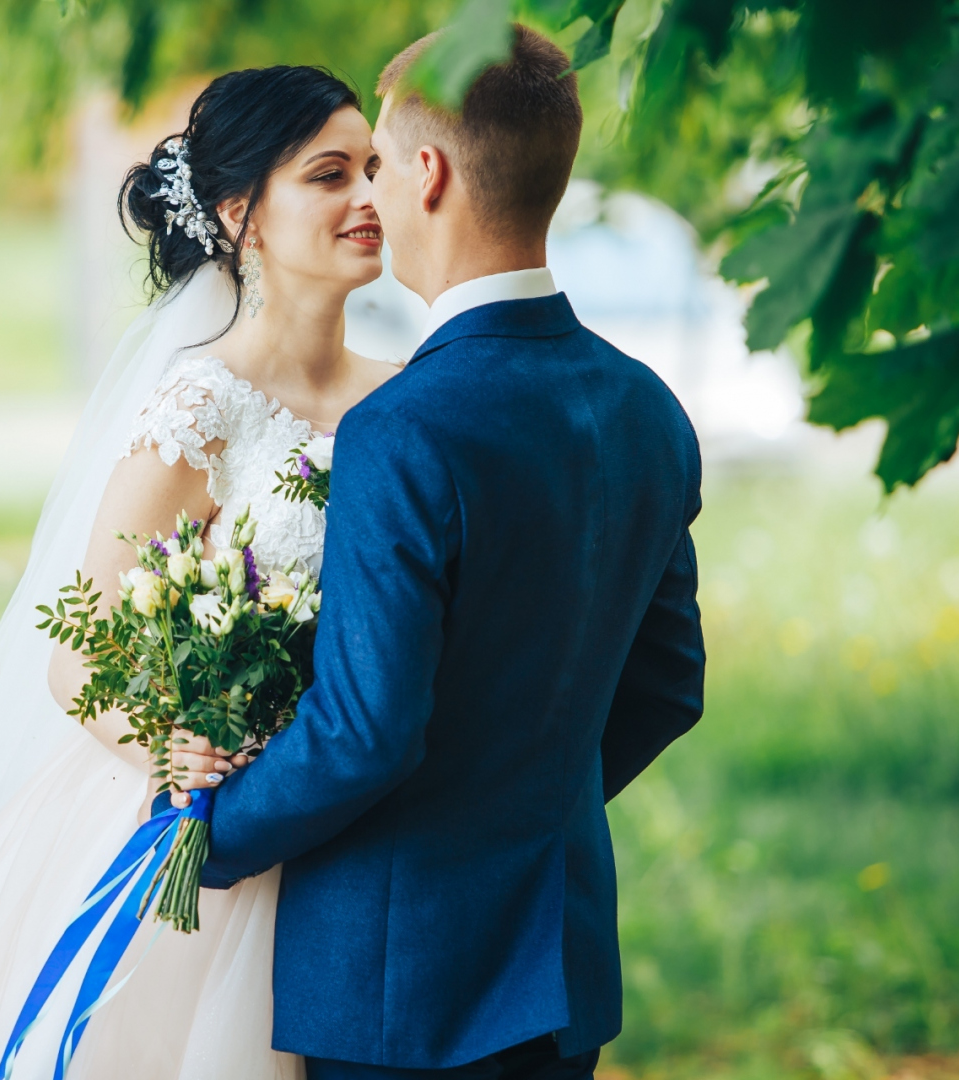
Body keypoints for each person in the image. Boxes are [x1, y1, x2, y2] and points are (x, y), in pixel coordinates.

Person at [0, 66, 402, 1080]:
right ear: (241, 214)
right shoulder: (201, 407)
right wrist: (174, 744)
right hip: (212, 823)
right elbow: (79, 654)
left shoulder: (409, 400)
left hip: (364, 821)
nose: (371, 198)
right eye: (331, 175)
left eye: (374, 168)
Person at [191, 25, 706, 1080]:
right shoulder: (648, 410)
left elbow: (362, 735)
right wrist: (518, 808)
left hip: (398, 982)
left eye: (374, 163)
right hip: (560, 968)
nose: (369, 194)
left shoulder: (406, 429)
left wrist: (207, 837)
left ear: (426, 174)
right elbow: (668, 687)